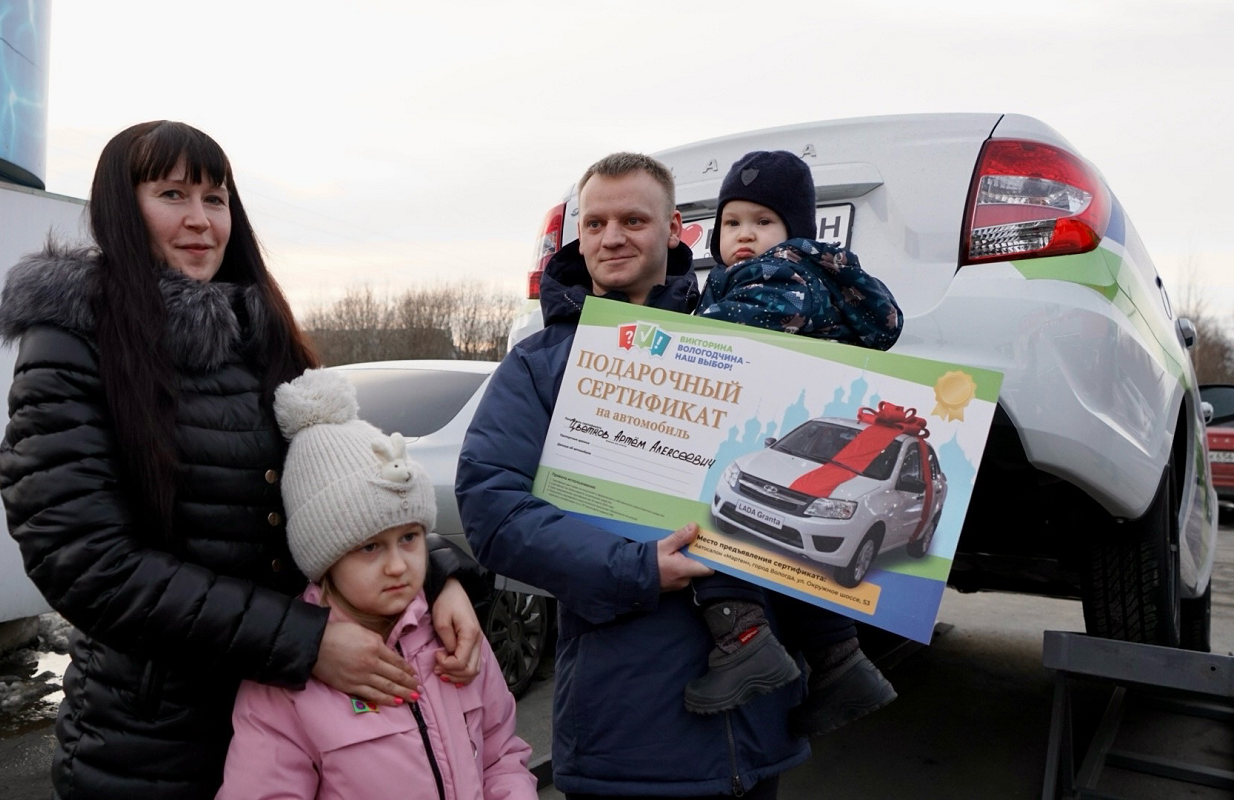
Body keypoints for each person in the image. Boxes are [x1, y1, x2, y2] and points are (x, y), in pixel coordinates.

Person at [0, 120, 487, 800]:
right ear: (120, 208)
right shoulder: (73, 343)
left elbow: (351, 489)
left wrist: (443, 575)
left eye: (216, 198)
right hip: (159, 738)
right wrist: (305, 641)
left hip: (302, 716)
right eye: (172, 194)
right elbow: (84, 560)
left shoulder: (263, 334)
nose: (200, 221)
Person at [457, 152, 806, 799]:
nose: (610, 237)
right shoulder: (539, 365)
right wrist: (637, 569)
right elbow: (492, 511)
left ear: (676, 229)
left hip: (755, 741)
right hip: (627, 742)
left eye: (632, 220)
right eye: (594, 224)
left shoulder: (747, 347)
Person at [217, 369, 537, 800]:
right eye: (370, 548)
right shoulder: (286, 680)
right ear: (324, 558)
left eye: (409, 539)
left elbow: (501, 755)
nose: (397, 566)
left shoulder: (453, 638)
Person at [682, 150, 902, 735]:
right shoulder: (793, 276)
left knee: (721, 517)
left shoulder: (780, 274)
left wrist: (681, 333)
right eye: (732, 224)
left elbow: (733, 342)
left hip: (765, 416)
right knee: (795, 552)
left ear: (794, 233)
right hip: (808, 423)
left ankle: (742, 637)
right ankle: (841, 660)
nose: (745, 235)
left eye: (763, 221)